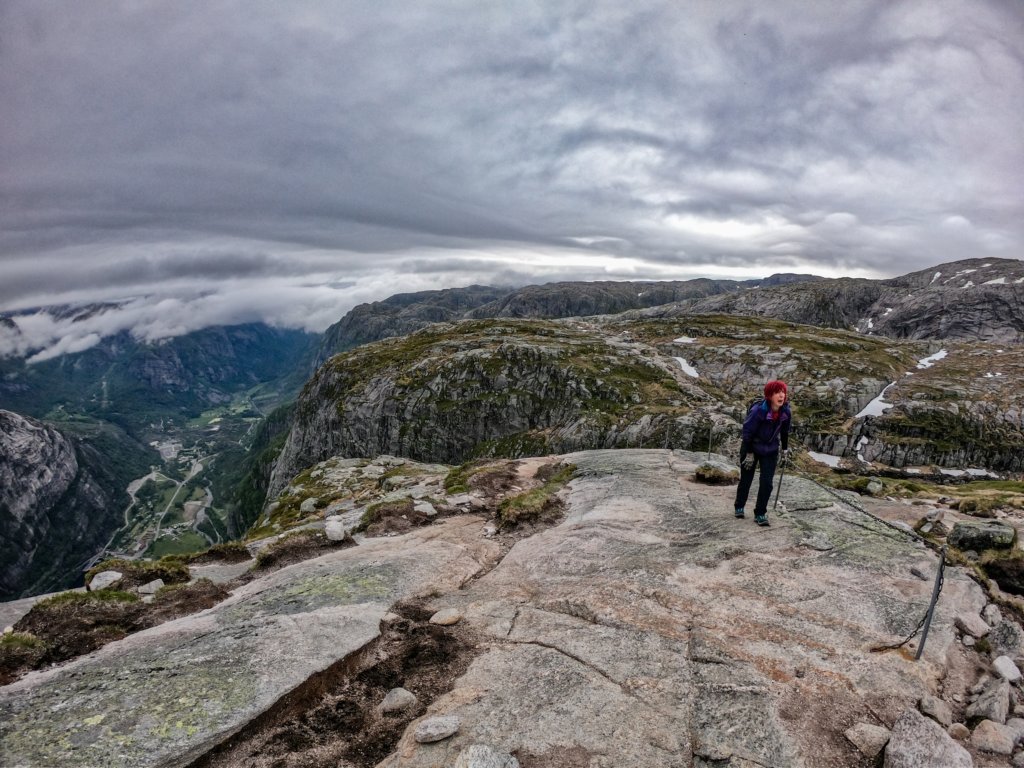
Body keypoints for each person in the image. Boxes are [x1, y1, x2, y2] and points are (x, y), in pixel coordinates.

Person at [734, 380, 791, 527]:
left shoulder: (785, 411)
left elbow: (785, 432)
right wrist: (749, 453)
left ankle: (760, 513)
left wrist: (785, 450)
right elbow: (747, 432)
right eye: (777, 392)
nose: (781, 395)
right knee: (746, 479)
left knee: (767, 483)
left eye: (783, 392)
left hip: (770, 449)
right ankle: (739, 506)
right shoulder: (758, 411)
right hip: (751, 447)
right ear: (769, 395)